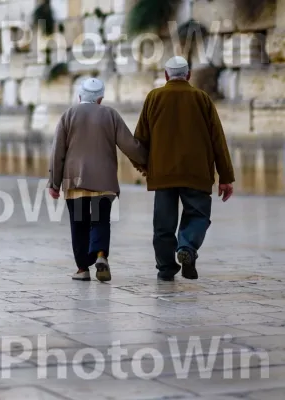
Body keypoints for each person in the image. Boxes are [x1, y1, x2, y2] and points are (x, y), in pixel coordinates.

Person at [133, 56, 235, 282]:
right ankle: (187, 247)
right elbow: (218, 139)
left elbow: (140, 137)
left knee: (163, 224)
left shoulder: (154, 97)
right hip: (197, 171)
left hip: (163, 173)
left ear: (167, 75)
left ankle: (166, 268)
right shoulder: (202, 98)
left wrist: (143, 165)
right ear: (188, 75)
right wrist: (225, 176)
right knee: (199, 215)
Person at [48, 78, 148, 282]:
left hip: (75, 182)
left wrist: (54, 183)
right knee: (101, 220)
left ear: (79, 96)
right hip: (104, 182)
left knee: (79, 224)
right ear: (100, 99)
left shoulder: (68, 115)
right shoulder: (110, 114)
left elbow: (57, 151)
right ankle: (101, 255)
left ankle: (83, 269)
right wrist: (147, 162)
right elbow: (129, 145)